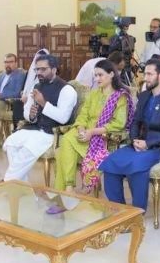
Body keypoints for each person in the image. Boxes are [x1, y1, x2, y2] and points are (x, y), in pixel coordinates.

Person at [102, 58, 160, 210]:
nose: (145, 78)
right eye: (145, 74)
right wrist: (135, 140)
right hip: (139, 144)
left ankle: (137, 212)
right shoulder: (144, 96)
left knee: (137, 165)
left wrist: (148, 143)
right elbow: (135, 122)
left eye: (149, 74)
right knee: (110, 163)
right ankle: (119, 210)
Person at [55, 59, 134, 192]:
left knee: (64, 146)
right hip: (84, 132)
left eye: (100, 75)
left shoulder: (120, 96)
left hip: (102, 137)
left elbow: (118, 124)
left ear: (111, 74)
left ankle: (66, 188)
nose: (97, 79)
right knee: (66, 140)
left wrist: (91, 132)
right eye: (95, 75)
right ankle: (68, 186)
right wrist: (81, 129)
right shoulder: (94, 93)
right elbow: (83, 115)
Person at [3, 54, 77, 181]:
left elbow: (63, 118)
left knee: (25, 152)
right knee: (11, 143)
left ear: (54, 69)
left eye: (43, 69)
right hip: (35, 128)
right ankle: (20, 185)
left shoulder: (67, 90)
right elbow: (27, 111)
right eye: (37, 69)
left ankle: (8, 182)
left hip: (52, 132)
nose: (39, 73)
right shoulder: (36, 86)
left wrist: (43, 103)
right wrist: (31, 116)